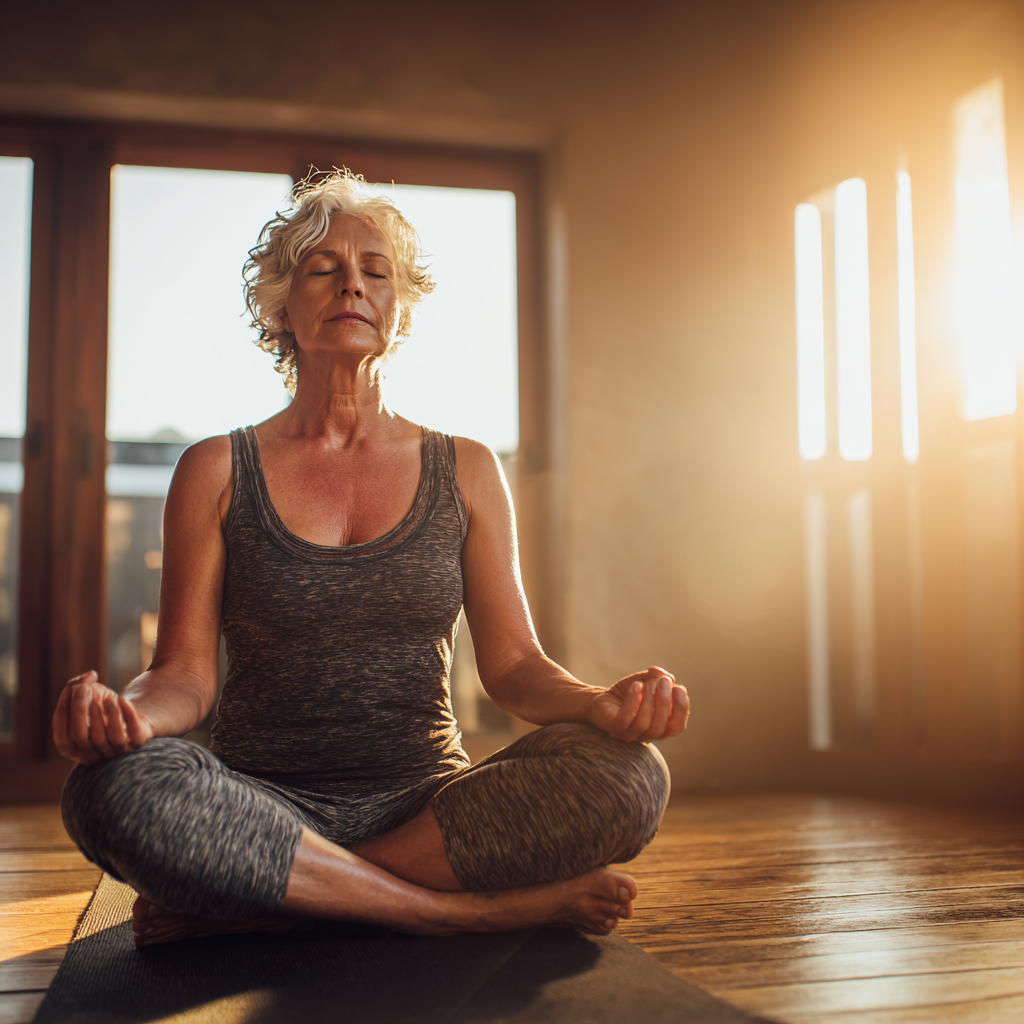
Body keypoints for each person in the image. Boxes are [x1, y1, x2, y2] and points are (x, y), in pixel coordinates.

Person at [53, 170, 690, 946]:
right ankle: (460, 913)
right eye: (323, 269)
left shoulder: (469, 469)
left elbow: (516, 664)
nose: (352, 283)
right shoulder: (216, 469)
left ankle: (273, 898)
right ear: (282, 305)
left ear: (399, 307)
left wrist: (597, 703)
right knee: (109, 789)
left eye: (375, 271)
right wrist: (128, 721)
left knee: (631, 775)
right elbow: (183, 676)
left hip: (428, 807)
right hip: (261, 801)